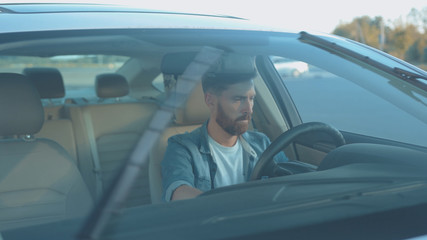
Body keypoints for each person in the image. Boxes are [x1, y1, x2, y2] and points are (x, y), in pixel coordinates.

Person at [161, 55, 288, 202]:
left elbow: (292, 176)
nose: (248, 109)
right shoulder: (182, 147)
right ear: (210, 100)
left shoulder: (263, 143)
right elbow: (179, 192)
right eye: (238, 99)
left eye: (251, 99)